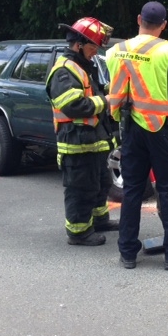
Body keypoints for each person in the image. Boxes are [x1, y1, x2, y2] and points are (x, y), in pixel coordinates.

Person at [106, 1, 168, 270]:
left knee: (132, 189)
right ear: (164, 24)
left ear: (138, 19)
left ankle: (128, 253)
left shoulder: (115, 51)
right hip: (160, 127)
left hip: (131, 127)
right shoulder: (167, 50)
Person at [46, 17, 119, 246]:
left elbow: (91, 94)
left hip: (91, 141)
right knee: (80, 189)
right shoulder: (64, 70)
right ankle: (78, 232)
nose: (95, 52)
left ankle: (99, 220)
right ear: (79, 44)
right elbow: (74, 106)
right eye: (92, 47)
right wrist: (105, 101)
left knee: (99, 183)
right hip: (76, 143)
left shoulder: (83, 67)